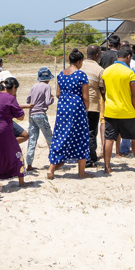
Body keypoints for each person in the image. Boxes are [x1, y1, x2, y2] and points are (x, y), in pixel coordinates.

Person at [102, 46, 135, 174]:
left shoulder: (107, 71)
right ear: (129, 56)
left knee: (109, 139)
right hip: (126, 111)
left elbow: (103, 90)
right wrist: (134, 107)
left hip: (110, 110)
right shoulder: (129, 72)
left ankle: (107, 167)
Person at [48, 50, 90, 180]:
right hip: (77, 108)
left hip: (63, 108)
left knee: (60, 136)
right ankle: (81, 172)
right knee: (81, 137)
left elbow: (58, 94)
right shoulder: (81, 75)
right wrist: (85, 109)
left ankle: (51, 169)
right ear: (79, 61)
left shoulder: (61, 75)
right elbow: (85, 97)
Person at [24, 67, 54, 171]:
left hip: (32, 114)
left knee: (32, 139)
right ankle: (53, 162)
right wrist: (52, 99)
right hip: (41, 114)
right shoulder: (47, 87)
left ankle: (29, 164)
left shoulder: (34, 86)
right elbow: (47, 101)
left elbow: (28, 100)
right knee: (49, 138)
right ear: (48, 78)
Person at [79, 44, 105, 165]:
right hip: (93, 105)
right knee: (91, 132)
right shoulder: (99, 70)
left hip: (78, 105)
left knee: (80, 131)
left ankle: (80, 157)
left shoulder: (78, 66)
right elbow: (102, 89)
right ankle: (90, 159)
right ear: (97, 55)